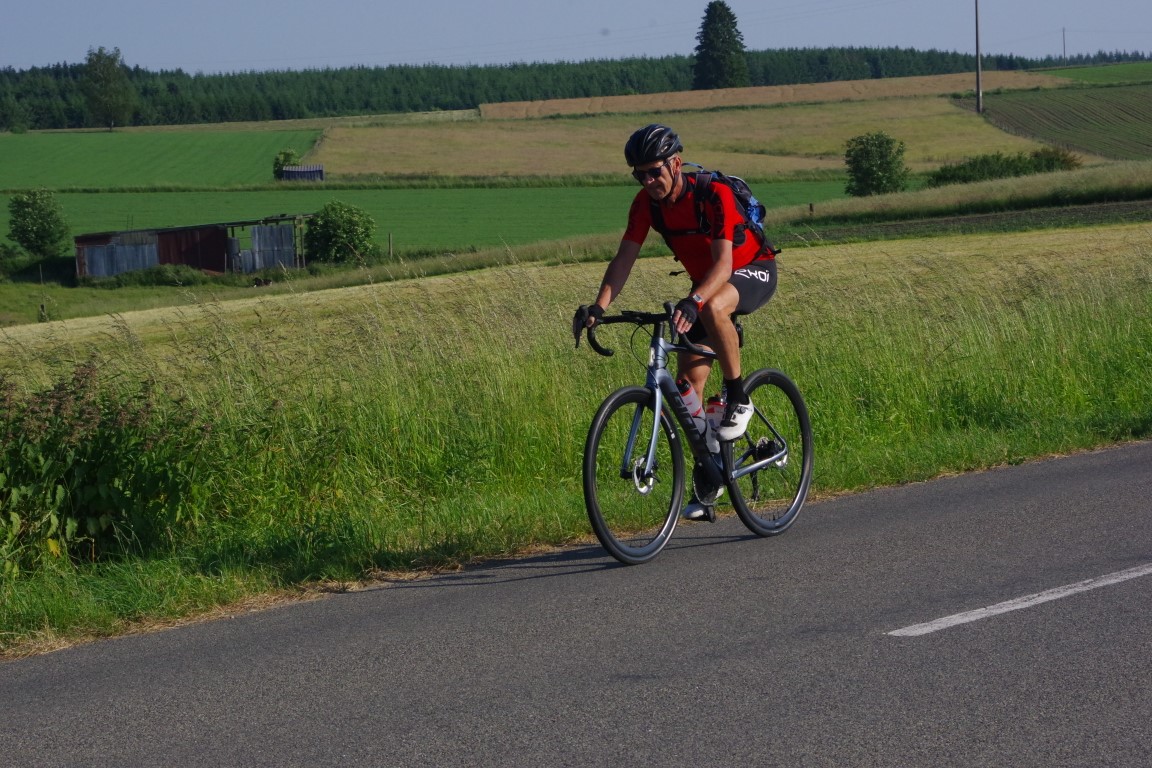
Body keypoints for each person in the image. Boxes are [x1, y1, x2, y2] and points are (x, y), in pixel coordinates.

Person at [573, 123, 778, 520]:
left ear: (676, 163)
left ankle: (739, 396)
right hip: (706, 288)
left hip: (751, 269)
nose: (648, 181)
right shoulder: (645, 205)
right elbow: (624, 259)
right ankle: (711, 473)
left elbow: (724, 264)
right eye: (640, 175)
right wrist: (598, 307)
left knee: (713, 308)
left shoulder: (713, 194)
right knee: (687, 388)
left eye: (654, 171)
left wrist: (695, 299)